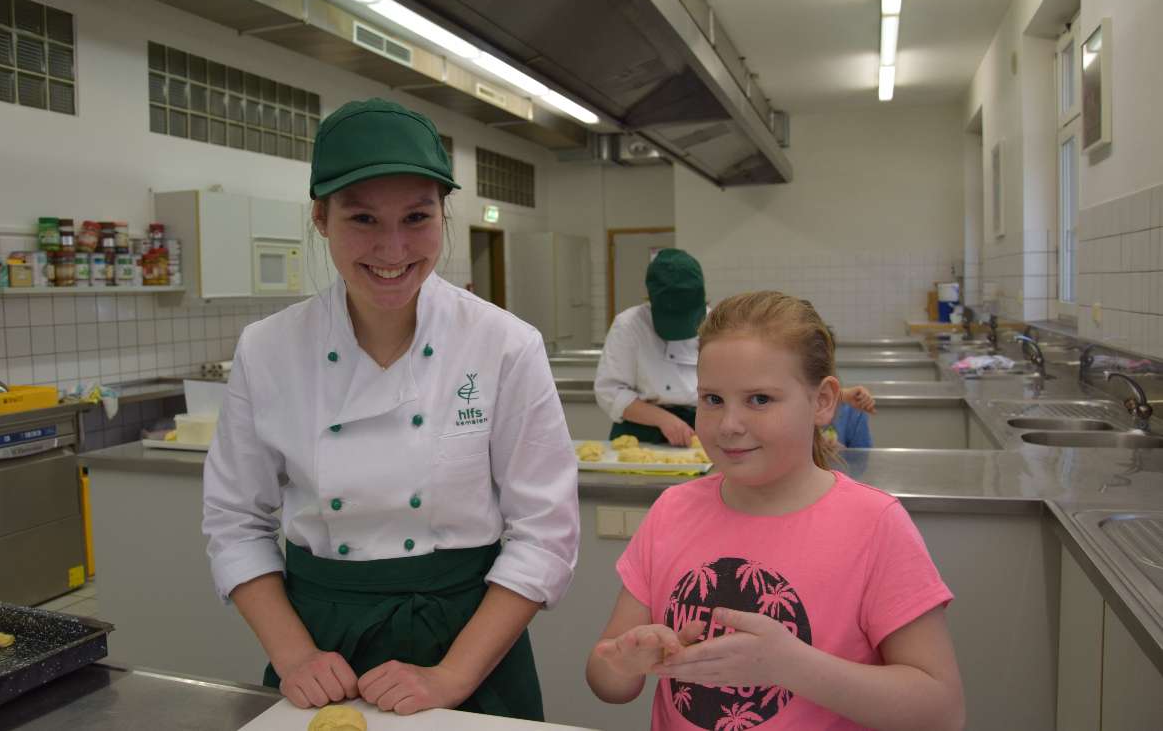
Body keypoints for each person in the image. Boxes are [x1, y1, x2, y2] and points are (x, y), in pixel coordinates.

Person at [202, 98, 579, 720]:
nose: (393, 247)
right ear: (321, 218)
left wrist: (451, 678)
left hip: (469, 640)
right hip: (321, 643)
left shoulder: (505, 344)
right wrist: (295, 656)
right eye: (362, 219)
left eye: (416, 217)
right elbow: (235, 521)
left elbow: (545, 532)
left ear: (442, 215)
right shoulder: (268, 349)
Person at [586, 291, 964, 730]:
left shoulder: (874, 527)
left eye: (760, 399)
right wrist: (628, 660)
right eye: (712, 399)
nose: (729, 424)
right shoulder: (673, 510)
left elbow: (941, 712)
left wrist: (789, 665)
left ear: (823, 401)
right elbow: (605, 679)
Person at [595, 250, 875, 446]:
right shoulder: (629, 326)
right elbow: (610, 391)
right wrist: (664, 420)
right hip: (639, 432)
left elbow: (763, 383)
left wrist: (842, 395)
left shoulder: (721, 324)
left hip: (705, 429)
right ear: (651, 302)